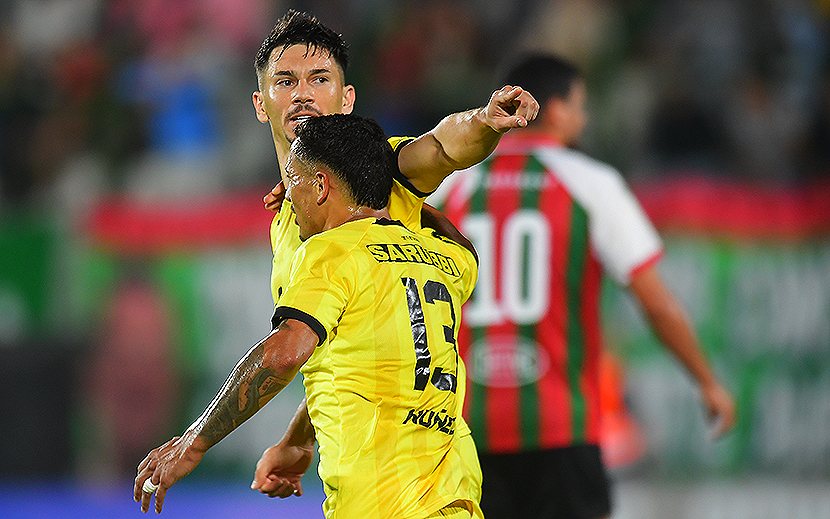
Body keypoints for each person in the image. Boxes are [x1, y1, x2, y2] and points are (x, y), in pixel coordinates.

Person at [243, 9, 536, 507]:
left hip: (411, 485)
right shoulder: (290, 219)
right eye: (286, 81)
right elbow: (349, 345)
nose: (303, 94)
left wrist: (485, 121)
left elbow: (442, 148)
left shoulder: (384, 173)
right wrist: (299, 439)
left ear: (347, 98)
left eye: (320, 79)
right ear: (260, 103)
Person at [430, 53, 737, 519]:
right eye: (579, 106)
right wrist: (707, 382)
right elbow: (656, 304)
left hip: (460, 430)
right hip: (562, 429)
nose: (584, 118)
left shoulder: (448, 186)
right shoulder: (591, 183)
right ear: (554, 111)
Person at [134, 114, 481, 518]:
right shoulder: (444, 259)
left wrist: (194, 441)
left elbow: (284, 354)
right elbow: (464, 249)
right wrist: (299, 439)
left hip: (381, 505)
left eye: (293, 181)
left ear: (320, 186)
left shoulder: (332, 250)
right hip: (456, 499)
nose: (288, 198)